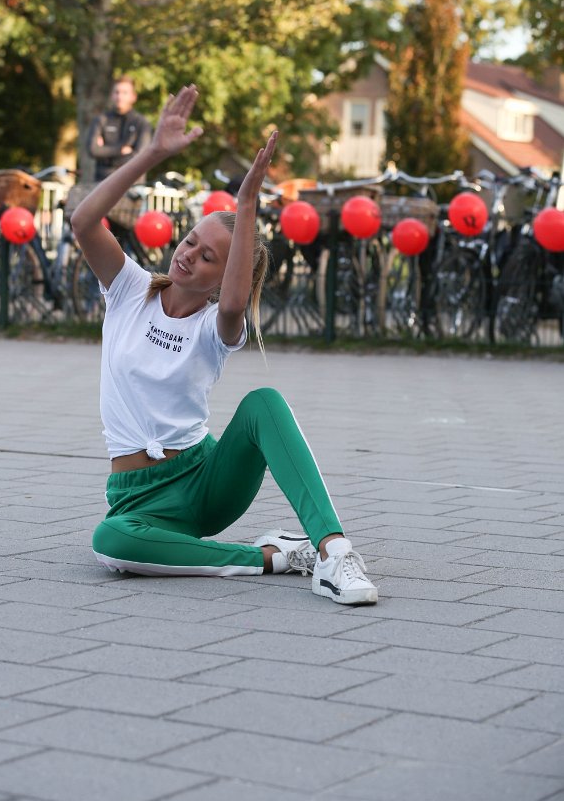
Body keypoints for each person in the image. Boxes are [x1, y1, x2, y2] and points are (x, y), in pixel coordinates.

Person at [71, 85, 378, 605]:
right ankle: (275, 557)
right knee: (111, 543)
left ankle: (332, 552)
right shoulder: (130, 290)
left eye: (208, 257)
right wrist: (154, 153)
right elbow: (83, 221)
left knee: (264, 403)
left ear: (220, 278)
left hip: (206, 482)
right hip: (139, 500)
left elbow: (236, 303)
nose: (189, 255)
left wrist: (247, 202)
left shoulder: (216, 327)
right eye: (191, 240)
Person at [86, 75, 152, 182]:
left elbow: (140, 157)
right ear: (112, 95)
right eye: (117, 92)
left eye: (125, 93)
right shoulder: (101, 120)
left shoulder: (141, 123)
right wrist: (121, 150)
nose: (120, 96)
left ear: (133, 97)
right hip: (102, 182)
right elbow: (92, 150)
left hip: (131, 185)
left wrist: (105, 154)